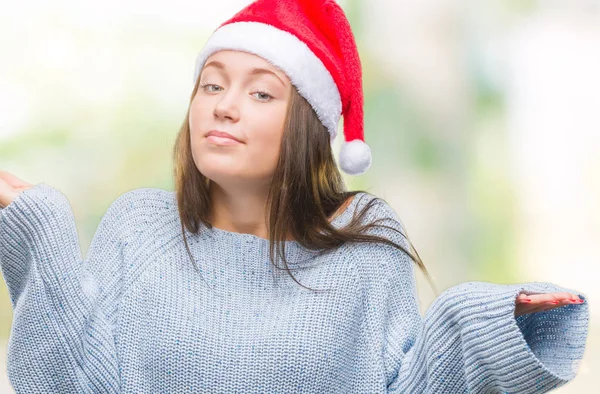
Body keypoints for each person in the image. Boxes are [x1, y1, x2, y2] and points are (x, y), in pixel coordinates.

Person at [0, 0, 589, 393]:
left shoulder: (364, 245)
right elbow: (69, 383)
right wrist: (40, 231)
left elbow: (406, 385)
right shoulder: (142, 227)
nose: (223, 105)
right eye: (212, 84)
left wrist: (478, 322)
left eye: (261, 94)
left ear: (308, 125)